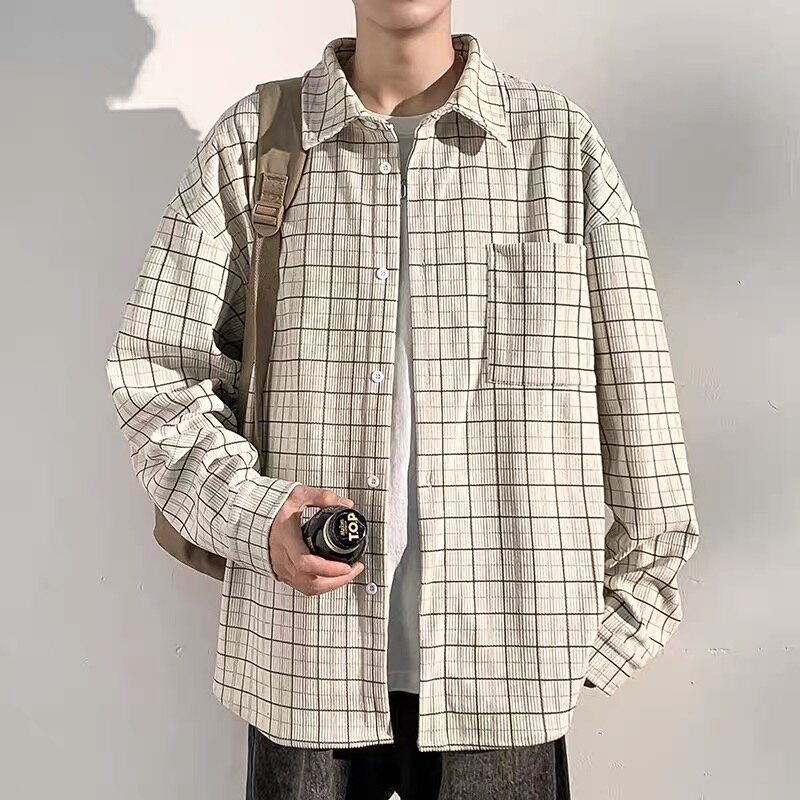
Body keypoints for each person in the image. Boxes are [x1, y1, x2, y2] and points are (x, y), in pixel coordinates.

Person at [105, 2, 700, 798]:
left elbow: (639, 392)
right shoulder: (257, 142)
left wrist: (612, 627)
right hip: (304, 662)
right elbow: (157, 374)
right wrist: (260, 518)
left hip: (508, 672)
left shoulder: (557, 147)